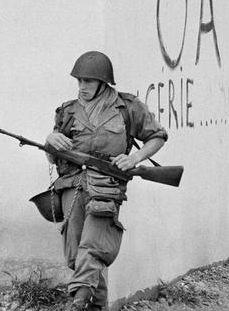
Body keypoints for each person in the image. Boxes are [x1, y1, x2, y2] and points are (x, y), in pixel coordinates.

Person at [45, 51, 168, 311]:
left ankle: (78, 305)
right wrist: (50, 141)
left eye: (88, 82)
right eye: (79, 81)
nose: (82, 87)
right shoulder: (68, 111)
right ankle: (94, 307)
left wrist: (134, 158)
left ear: (103, 82)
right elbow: (51, 156)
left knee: (93, 248)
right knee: (76, 254)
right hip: (72, 186)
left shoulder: (126, 107)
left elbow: (157, 136)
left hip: (106, 187)